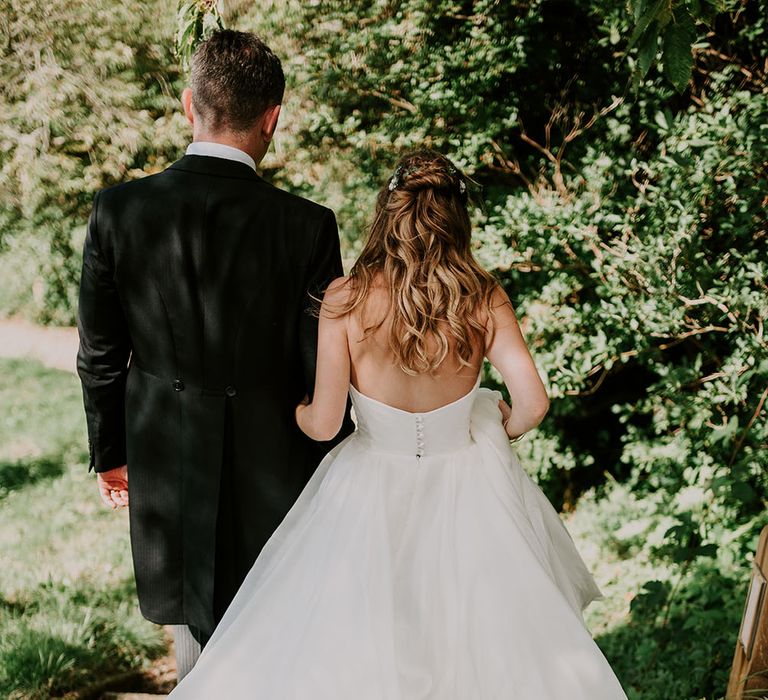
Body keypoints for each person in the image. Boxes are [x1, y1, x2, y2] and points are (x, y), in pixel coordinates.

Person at [168, 150, 629, 698]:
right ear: (457, 219)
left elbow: (322, 424)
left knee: (349, 635)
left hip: (368, 485)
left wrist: (294, 410)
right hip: (469, 489)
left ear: (387, 214)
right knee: (479, 638)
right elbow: (532, 402)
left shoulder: (346, 299)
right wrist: (491, 425)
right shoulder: (484, 297)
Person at [75, 29, 353, 679]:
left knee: (199, 639)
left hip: (166, 461)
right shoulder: (307, 225)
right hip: (278, 467)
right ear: (273, 117)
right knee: (277, 628)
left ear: (187, 105)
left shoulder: (117, 211)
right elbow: (321, 367)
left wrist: (110, 454)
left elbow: (99, 354)